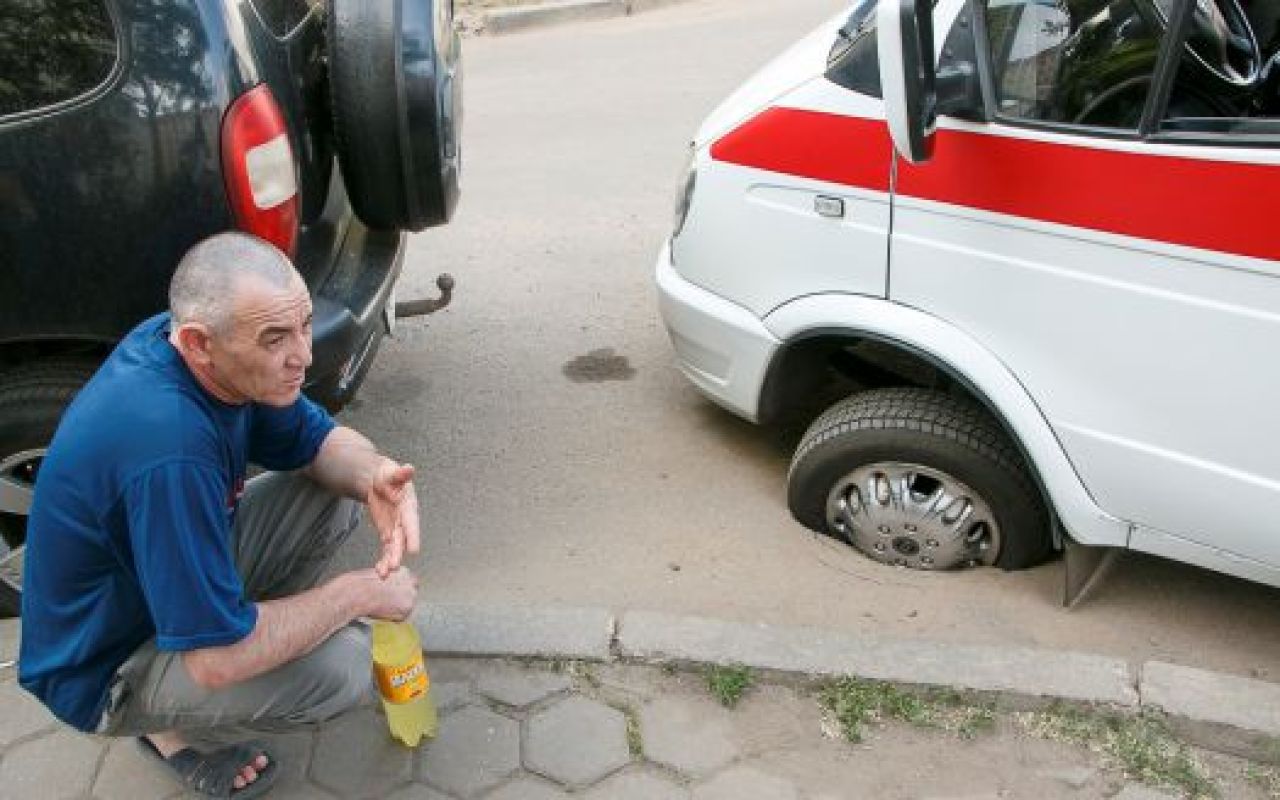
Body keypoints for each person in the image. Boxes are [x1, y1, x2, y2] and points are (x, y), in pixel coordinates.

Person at [19, 232, 421, 799]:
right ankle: (168, 728)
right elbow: (213, 663)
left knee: (331, 497)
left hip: (152, 588)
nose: (303, 355)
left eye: (305, 324)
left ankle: (232, 624)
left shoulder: (208, 351)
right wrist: (354, 597)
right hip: (100, 664)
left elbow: (318, 442)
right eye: (276, 338)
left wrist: (376, 474)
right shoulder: (169, 447)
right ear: (198, 343)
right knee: (343, 666)